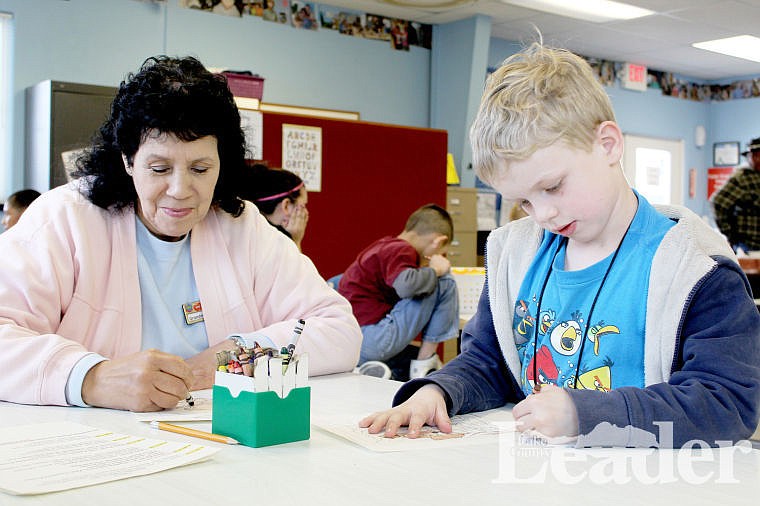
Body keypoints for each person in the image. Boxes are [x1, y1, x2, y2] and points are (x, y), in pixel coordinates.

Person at [360, 43, 760, 448]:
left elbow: (726, 402)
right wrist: (438, 392)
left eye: (552, 187)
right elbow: (490, 362)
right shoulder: (516, 256)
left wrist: (585, 414)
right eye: (525, 202)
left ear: (608, 145)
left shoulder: (696, 270)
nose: (544, 214)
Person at [0, 56, 361, 412]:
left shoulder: (242, 226)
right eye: (159, 168)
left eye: (200, 168)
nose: (180, 190)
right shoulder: (66, 220)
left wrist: (232, 357)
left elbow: (339, 331)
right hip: (86, 448)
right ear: (128, 160)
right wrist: (91, 378)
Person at [338, 204, 459, 381]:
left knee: (411, 354)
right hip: (372, 339)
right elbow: (406, 286)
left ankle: (394, 369)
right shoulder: (403, 250)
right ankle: (424, 366)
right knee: (445, 283)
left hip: (352, 341)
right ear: (438, 241)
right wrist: (435, 271)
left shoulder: (384, 246)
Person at [241, 163, 309, 250]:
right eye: (303, 205)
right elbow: (294, 263)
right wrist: (296, 241)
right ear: (286, 206)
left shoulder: (247, 233)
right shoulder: (275, 247)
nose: (306, 213)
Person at [711, 137, 760, 252]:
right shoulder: (742, 178)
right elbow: (718, 203)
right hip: (748, 245)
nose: (758, 159)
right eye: (754, 155)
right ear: (749, 157)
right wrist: (731, 234)